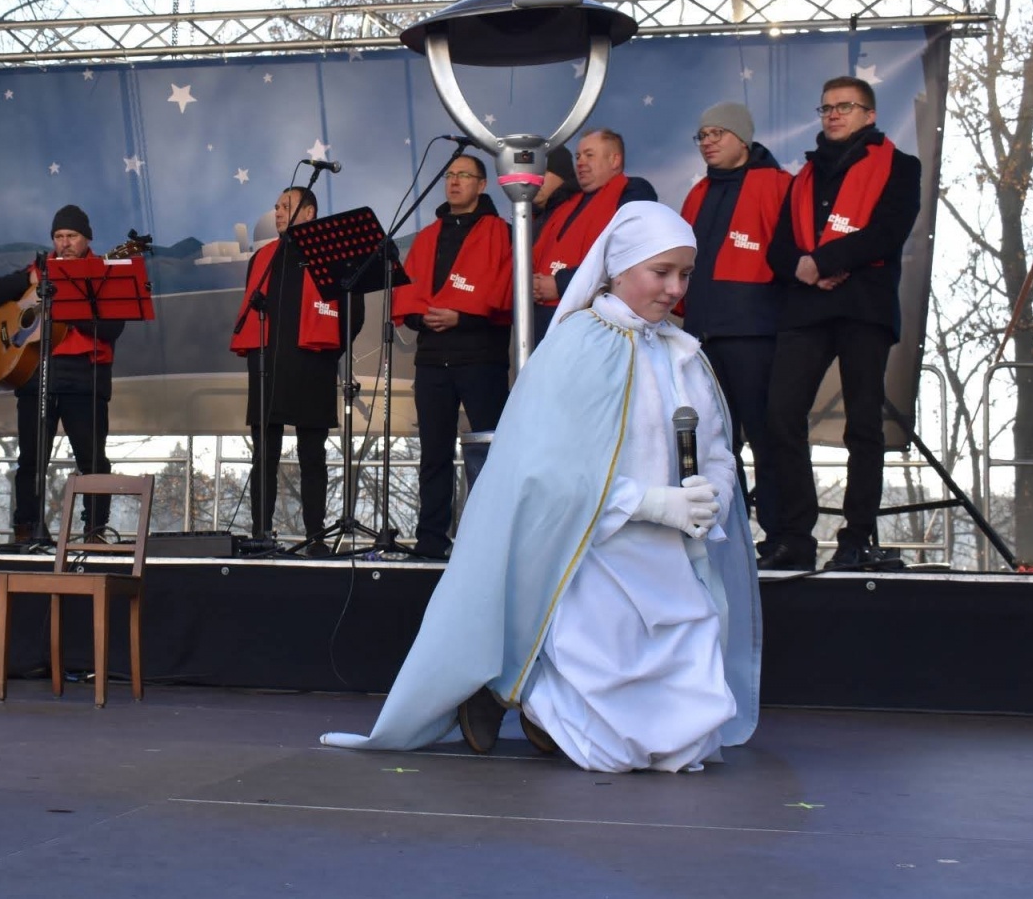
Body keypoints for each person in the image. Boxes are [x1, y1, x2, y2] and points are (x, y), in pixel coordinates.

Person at [323, 202, 760, 773]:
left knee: (685, 743)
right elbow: (549, 469)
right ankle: (530, 690)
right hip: (597, 553)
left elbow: (718, 448)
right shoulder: (578, 345)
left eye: (686, 274)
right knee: (614, 751)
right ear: (619, 269)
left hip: (675, 559)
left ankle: (532, 695)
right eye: (662, 272)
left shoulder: (683, 354)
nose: (675, 288)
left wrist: (713, 496)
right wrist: (653, 503)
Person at [761, 76, 922, 572]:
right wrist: (807, 269)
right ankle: (795, 535)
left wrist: (823, 262)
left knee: (863, 426)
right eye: (826, 107)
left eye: (845, 107)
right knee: (779, 417)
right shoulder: (802, 178)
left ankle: (856, 537)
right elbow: (778, 250)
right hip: (807, 310)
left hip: (863, 309)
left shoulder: (900, 165)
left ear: (869, 115)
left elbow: (889, 232)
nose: (833, 115)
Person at [678, 103, 789, 557]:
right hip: (703, 333)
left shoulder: (778, 185)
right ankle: (730, 533)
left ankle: (781, 534)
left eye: (717, 133)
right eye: (702, 134)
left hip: (754, 330)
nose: (707, 141)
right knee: (717, 442)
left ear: (742, 138)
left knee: (765, 435)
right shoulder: (698, 193)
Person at [230, 187, 363, 548]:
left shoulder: (332, 253)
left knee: (312, 456)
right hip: (267, 365)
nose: (278, 213)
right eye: (276, 207)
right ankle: (261, 533)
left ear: (309, 213)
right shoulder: (263, 257)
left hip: (312, 364)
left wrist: (326, 354)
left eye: (286, 207)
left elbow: (354, 315)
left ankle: (315, 536)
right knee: (264, 456)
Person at [393, 154, 511, 559]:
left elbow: (507, 295)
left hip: (481, 357)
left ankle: (489, 544)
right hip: (432, 360)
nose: (455, 181)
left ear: (482, 185)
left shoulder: (503, 233)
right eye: (450, 175)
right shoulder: (428, 236)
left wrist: (461, 316)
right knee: (434, 455)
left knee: (490, 453)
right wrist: (421, 315)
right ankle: (430, 541)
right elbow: (408, 293)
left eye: (464, 175)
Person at [0, 204, 121, 542]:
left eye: (71, 236)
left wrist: (68, 304)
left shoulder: (103, 272)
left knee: (92, 459)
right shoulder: (41, 269)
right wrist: (27, 279)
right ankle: (26, 527)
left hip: (84, 375)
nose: (64, 243)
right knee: (31, 458)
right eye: (58, 237)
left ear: (87, 238)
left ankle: (95, 530)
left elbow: (112, 328)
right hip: (35, 372)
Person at [530, 129, 657, 344]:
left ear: (614, 160)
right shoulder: (564, 203)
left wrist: (561, 284)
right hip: (546, 323)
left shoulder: (634, 192)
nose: (580, 162)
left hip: (595, 327)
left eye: (590, 155)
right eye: (578, 156)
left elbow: (626, 257)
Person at [529, 144, 578, 240]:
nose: (535, 180)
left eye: (543, 173)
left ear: (562, 176)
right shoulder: (526, 223)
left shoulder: (576, 215)